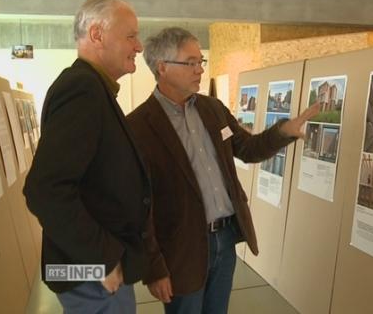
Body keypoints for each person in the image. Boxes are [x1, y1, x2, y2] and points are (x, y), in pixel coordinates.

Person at [126, 27, 319, 314]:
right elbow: (140, 208)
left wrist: (283, 131)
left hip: (225, 238)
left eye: (200, 61)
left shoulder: (212, 109)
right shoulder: (138, 127)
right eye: (190, 62)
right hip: (181, 248)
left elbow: (248, 149)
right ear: (162, 67)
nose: (199, 70)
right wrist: (154, 268)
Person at [23, 0, 150, 313]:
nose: (139, 46)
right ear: (97, 34)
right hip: (92, 275)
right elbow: (45, 189)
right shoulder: (82, 89)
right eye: (131, 36)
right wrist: (104, 259)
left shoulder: (93, 88)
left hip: (94, 270)